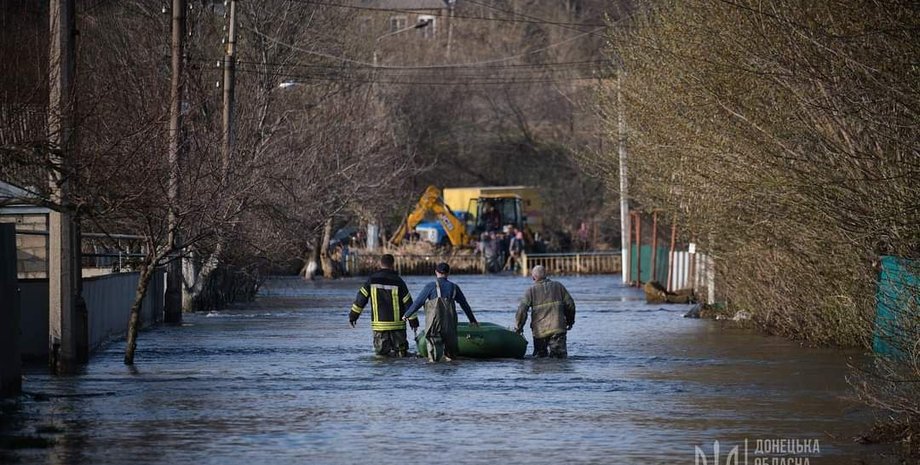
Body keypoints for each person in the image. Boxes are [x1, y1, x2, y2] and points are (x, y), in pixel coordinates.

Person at [403, 262, 479, 362]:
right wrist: (472, 320)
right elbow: (465, 305)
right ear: (448, 273)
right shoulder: (454, 287)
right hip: (450, 324)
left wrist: (407, 314)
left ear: (436, 272)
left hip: (434, 323)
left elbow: (419, 302)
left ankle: (436, 370)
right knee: (451, 356)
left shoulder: (430, 286)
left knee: (434, 357)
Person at [349, 254, 417, 357]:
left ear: (380, 264)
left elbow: (361, 299)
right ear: (393, 264)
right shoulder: (398, 281)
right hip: (397, 327)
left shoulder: (372, 280)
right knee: (401, 356)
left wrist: (353, 316)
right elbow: (408, 303)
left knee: (381, 357)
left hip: (380, 327)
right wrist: (413, 321)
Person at [514, 265, 576, 358]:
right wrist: (570, 321)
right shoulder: (558, 286)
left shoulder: (530, 291)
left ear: (533, 277)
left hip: (539, 332)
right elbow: (570, 305)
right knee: (559, 360)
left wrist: (518, 328)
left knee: (540, 360)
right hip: (558, 329)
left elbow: (522, 311)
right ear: (546, 275)